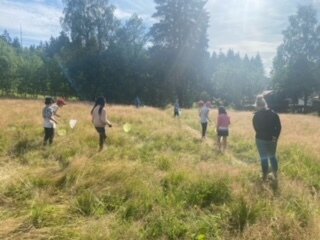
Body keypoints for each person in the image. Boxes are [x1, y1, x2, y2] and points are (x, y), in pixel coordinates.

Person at [253, 95, 281, 182]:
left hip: (260, 139)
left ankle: (264, 176)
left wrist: (261, 134)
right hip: (272, 139)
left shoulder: (256, 116)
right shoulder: (274, 114)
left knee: (264, 158)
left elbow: (256, 128)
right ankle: (275, 175)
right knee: (272, 157)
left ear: (257, 106)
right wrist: (275, 138)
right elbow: (279, 127)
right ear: (265, 104)